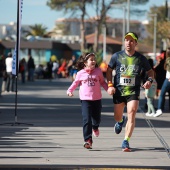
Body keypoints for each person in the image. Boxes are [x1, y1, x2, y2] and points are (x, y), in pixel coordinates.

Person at [106, 32, 154, 152]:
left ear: (135, 43)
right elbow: (108, 70)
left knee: (132, 113)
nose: (128, 43)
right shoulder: (116, 56)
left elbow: (150, 72)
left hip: (133, 90)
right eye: (127, 40)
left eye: (131, 41)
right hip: (119, 91)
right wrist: (110, 85)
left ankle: (126, 141)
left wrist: (149, 81)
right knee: (117, 116)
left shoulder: (141, 58)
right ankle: (120, 121)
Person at [67, 53, 108, 149]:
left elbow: (102, 82)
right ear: (85, 63)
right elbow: (75, 83)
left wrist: (108, 89)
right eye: (91, 60)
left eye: (94, 59)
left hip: (97, 99)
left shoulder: (98, 71)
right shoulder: (80, 73)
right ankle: (88, 140)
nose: (93, 61)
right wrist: (70, 91)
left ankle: (95, 127)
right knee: (86, 119)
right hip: (85, 100)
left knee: (97, 119)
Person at [154, 47, 170, 117]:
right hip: (166, 78)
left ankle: (159, 109)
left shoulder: (168, 60)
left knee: (162, 94)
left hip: (168, 79)